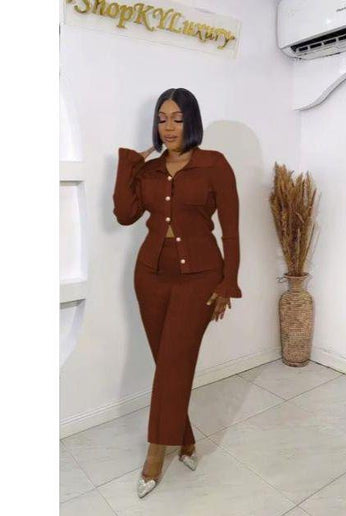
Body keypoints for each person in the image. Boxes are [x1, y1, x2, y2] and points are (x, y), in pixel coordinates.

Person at [112, 87, 243, 498]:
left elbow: (232, 230)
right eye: (162, 119)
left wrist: (228, 282)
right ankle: (184, 439)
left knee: (173, 362)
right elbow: (125, 215)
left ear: (192, 122)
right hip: (150, 276)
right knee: (169, 364)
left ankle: (155, 453)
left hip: (200, 278)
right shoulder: (149, 171)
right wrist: (129, 164)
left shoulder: (214, 164)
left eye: (177, 119)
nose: (168, 127)